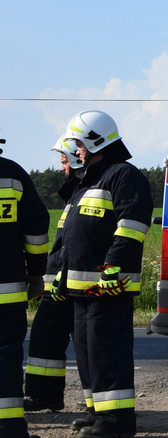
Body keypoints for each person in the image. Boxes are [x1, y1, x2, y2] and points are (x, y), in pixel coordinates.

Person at [60, 110, 153, 438]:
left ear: (95, 140)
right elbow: (70, 236)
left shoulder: (124, 176)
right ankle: (97, 413)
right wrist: (58, 279)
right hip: (82, 290)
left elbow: (131, 228)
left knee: (107, 354)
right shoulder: (89, 180)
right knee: (87, 354)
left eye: (79, 144)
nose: (77, 151)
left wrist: (110, 272)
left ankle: (116, 422)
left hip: (108, 287)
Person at [0, 129, 51, 438]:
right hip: (6, 293)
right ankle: (8, 433)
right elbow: (35, 230)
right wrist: (36, 274)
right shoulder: (12, 176)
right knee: (5, 359)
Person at [23, 138, 83, 411]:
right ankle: (44, 396)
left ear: (77, 158)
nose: (61, 169)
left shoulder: (86, 189)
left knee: (85, 345)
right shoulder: (75, 191)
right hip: (59, 281)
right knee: (45, 336)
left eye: (63, 162)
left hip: (77, 283)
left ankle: (99, 404)